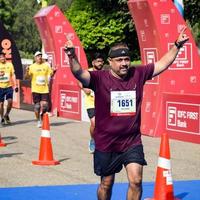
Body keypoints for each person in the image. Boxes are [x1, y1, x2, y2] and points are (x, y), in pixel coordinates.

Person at [64, 27, 189, 200]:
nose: (124, 63)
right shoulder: (99, 78)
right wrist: (71, 56)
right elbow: (79, 72)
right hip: (106, 142)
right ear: (110, 61)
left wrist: (177, 45)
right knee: (106, 184)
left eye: (127, 59)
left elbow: (162, 64)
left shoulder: (138, 73)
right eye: (120, 60)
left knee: (136, 181)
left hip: (132, 141)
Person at [80, 53, 104, 153]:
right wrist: (84, 88)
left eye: (102, 61)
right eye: (98, 61)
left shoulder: (105, 73)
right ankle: (93, 140)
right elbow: (79, 81)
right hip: (91, 103)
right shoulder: (88, 72)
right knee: (94, 124)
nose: (100, 63)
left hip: (102, 103)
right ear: (93, 62)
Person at [25, 51, 52, 128]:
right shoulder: (32, 67)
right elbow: (26, 77)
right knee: (37, 107)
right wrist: (27, 71)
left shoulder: (46, 66)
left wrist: (54, 71)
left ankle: (42, 115)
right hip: (35, 89)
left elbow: (50, 74)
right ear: (35, 58)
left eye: (40, 56)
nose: (39, 57)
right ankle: (38, 120)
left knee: (45, 106)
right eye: (38, 56)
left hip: (44, 89)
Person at [0, 52, 18, 125]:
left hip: (8, 86)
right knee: (1, 104)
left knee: (10, 101)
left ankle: (6, 114)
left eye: (3, 57)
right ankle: (2, 118)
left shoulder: (9, 64)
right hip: (0, 87)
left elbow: (13, 75)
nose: (2, 58)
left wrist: (15, 85)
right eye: (0, 57)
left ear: (5, 57)